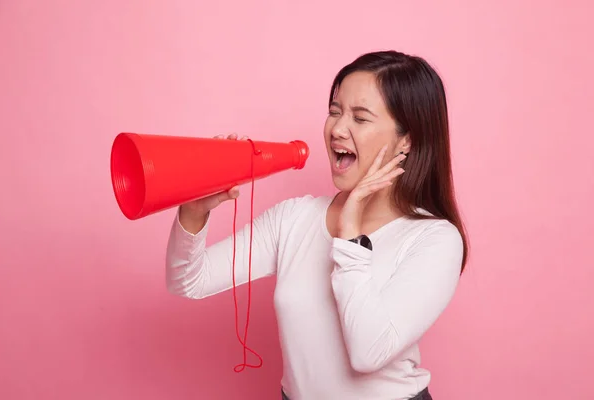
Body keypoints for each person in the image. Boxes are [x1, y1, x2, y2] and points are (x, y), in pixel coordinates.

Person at [165, 50, 469, 400]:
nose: (338, 129)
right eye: (335, 111)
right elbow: (188, 280)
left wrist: (350, 234)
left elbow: (368, 354)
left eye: (361, 117)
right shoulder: (294, 219)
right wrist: (194, 209)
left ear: (407, 139)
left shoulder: (434, 239)